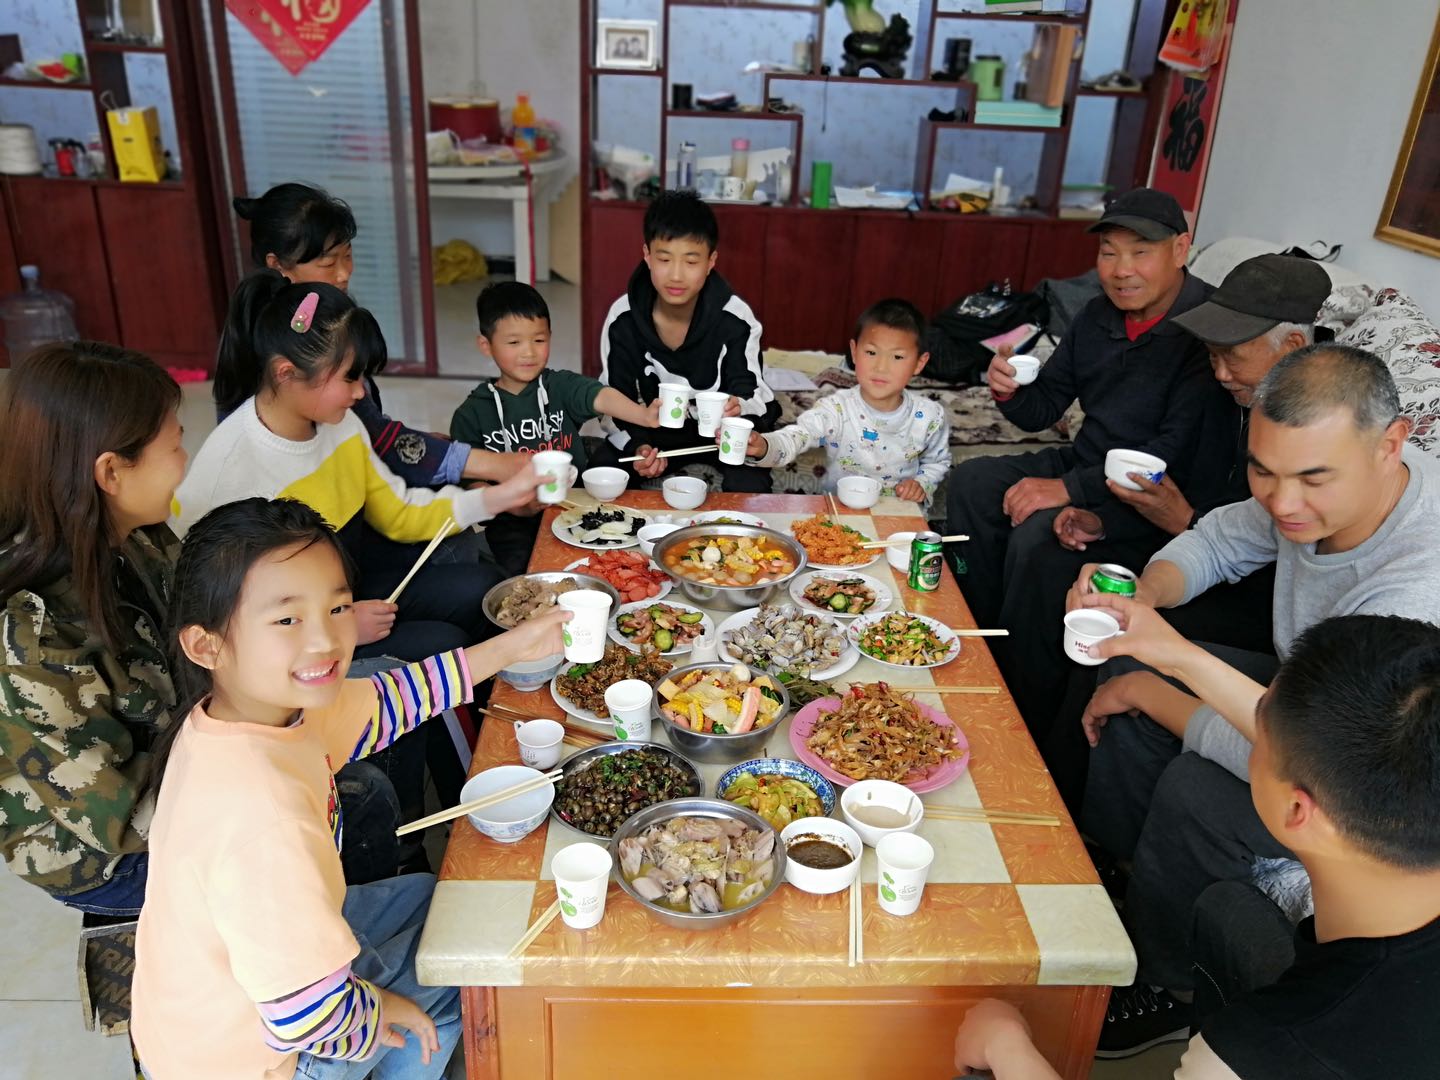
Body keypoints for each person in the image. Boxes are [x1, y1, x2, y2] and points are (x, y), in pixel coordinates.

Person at [1069, 343, 1440, 1055]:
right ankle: (1119, 871)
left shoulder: (1414, 589)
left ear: (1391, 444)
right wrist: (1143, 597)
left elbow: (1309, 757)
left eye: (1312, 478)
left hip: (1372, 785)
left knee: (1193, 789)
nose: (1282, 502)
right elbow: (1216, 540)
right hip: (1308, 703)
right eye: (1262, 471)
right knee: (1132, 656)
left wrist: (1157, 683)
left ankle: (1165, 982)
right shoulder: (1305, 485)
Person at [131, 497, 571, 1079]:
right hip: (258, 1055)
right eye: (287, 620)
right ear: (205, 645)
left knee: (439, 898)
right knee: (466, 965)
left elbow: (394, 699)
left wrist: (517, 645)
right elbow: (301, 1014)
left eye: (337, 608)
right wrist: (382, 1009)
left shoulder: (261, 707)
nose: (325, 640)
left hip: (223, 989)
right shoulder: (260, 813)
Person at [0, 344, 401, 919]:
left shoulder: (140, 538)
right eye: (174, 446)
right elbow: (121, 818)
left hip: (204, 741)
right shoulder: (34, 639)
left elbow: (220, 632)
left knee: (377, 692)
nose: (185, 461)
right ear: (111, 472)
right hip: (115, 855)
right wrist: (281, 763)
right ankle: (336, 944)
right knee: (356, 798)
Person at [952, 615, 1440, 1080]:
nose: (1250, 734)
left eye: (1259, 737)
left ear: (1297, 810)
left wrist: (1006, 1046)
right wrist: (1175, 657)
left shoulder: (1263, 1054)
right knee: (1226, 914)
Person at [177, 273, 548, 847]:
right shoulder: (231, 471)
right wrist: (343, 621)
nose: (360, 394)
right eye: (349, 377)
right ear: (286, 373)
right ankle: (460, 805)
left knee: (482, 587)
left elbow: (400, 514)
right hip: (297, 634)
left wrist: (496, 497)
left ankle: (498, 745)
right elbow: (237, 620)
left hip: (348, 589)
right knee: (440, 643)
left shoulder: (341, 425)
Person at [1033, 255, 1332, 804]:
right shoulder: (1239, 398)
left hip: (1273, 623)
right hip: (1205, 559)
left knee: (1122, 648)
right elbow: (1220, 537)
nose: (1219, 372)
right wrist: (1142, 592)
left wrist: (1179, 528)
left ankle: (1064, 795)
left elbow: (1327, 752)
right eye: (1212, 355)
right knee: (1094, 601)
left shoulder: (1326, 427)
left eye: (1231, 355)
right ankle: (1049, 773)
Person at [944, 188, 1232, 644]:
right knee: (972, 483)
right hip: (1088, 464)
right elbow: (1043, 407)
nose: (1121, 270)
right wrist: (1007, 388)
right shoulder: (1097, 314)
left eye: (1140, 252)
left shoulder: (1207, 328)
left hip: (1155, 494)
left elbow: (1170, 453)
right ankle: (977, 629)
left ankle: (1017, 667)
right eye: (1109, 252)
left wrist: (1068, 489)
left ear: (1180, 250)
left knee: (1037, 538)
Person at [233, 182, 527, 490]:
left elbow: (369, 429)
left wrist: (435, 452)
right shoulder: (295, 343)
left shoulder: (311, 318)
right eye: (328, 263)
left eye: (348, 255)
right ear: (277, 265)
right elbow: (372, 435)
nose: (344, 273)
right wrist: (485, 465)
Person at [450, 281, 661, 575]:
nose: (528, 352)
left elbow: (599, 396)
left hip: (574, 506)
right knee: (525, 574)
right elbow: (472, 482)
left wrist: (643, 415)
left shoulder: (559, 385)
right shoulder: (471, 414)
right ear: (486, 345)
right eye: (514, 343)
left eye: (538, 340)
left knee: (605, 565)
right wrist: (514, 506)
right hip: (512, 523)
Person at [594, 189, 779, 492]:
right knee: (601, 472)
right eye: (664, 259)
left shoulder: (735, 317)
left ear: (711, 261)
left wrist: (738, 406)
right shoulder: (622, 317)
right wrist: (638, 447)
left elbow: (754, 394)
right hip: (654, 431)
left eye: (691, 262)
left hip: (720, 434)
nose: (676, 276)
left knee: (750, 484)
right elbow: (614, 398)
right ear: (647, 255)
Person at [728, 297, 950, 506]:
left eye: (897, 357)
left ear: (919, 363)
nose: (881, 367)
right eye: (871, 352)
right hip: (841, 514)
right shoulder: (836, 409)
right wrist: (764, 446)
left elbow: (937, 462)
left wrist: (921, 484)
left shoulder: (930, 416)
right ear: (854, 352)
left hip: (900, 514)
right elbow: (797, 436)